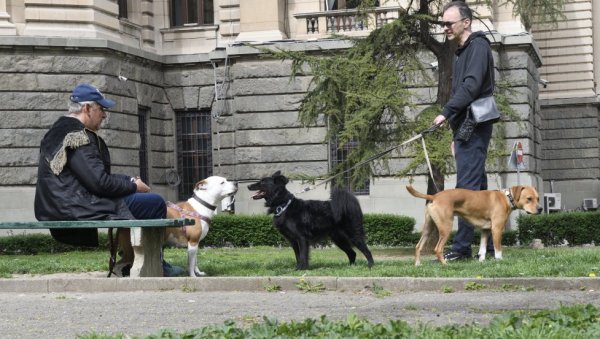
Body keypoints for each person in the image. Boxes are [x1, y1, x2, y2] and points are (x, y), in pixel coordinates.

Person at [34, 83, 183, 276]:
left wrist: (128, 181)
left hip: (64, 204)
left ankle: (128, 260)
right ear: (87, 108)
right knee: (153, 202)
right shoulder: (77, 136)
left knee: (137, 202)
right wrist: (132, 186)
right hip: (75, 206)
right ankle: (150, 264)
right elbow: (99, 183)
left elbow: (89, 177)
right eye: (101, 109)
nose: (104, 115)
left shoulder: (60, 131)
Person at [432, 1, 496, 261]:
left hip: (476, 126)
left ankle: (460, 250)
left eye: (449, 23)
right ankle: (491, 247)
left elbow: (470, 88)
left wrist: (444, 112)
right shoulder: (461, 52)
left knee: (465, 192)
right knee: (480, 192)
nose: (445, 27)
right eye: (443, 23)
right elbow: (464, 94)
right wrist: (456, 136)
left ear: (466, 22)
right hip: (467, 129)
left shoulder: (478, 47)